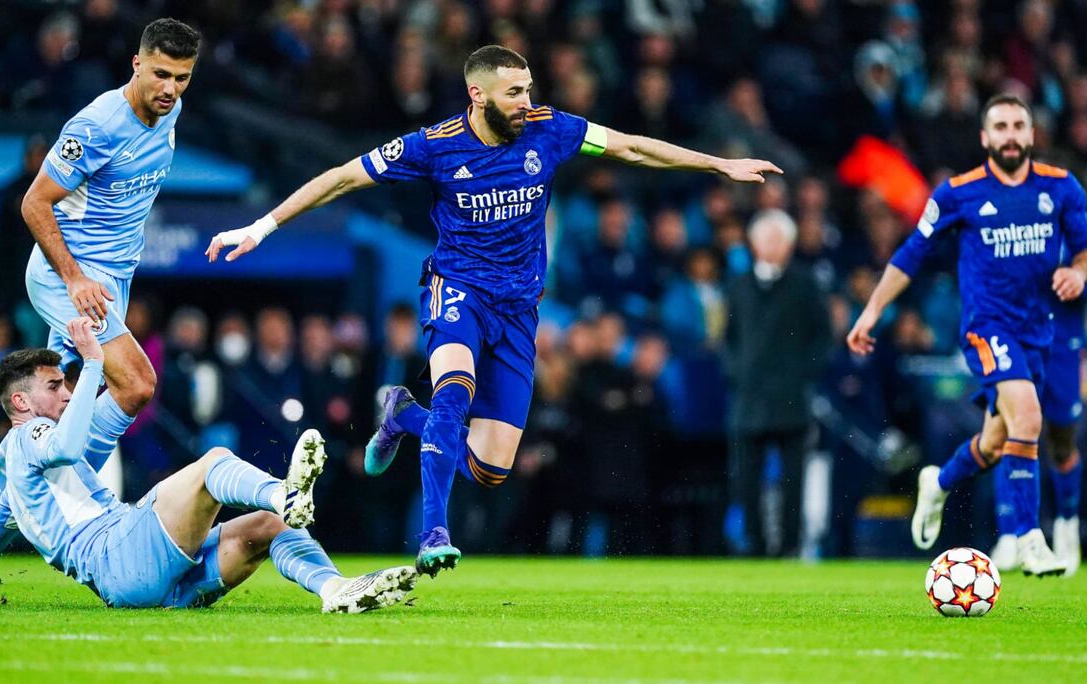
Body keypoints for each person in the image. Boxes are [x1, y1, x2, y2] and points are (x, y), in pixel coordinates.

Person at [206, 44, 781, 576]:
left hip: (518, 309)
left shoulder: (551, 130)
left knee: (490, 466)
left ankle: (404, 417)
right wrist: (262, 227)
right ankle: (433, 533)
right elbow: (341, 178)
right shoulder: (433, 145)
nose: (526, 102)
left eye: (529, 89)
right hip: (457, 288)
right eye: (514, 92)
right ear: (477, 95)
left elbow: (631, 145)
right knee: (453, 390)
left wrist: (718, 165)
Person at [0, 18, 200, 583]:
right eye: (159, 74)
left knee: (56, 420)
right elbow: (34, 203)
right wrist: (75, 278)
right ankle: (52, 501)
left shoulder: (169, 109)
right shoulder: (98, 124)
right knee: (137, 385)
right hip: (68, 280)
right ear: (135, 63)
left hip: (112, 285)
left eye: (181, 77)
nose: (170, 89)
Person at [0, 318, 417, 613]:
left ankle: (334, 588)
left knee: (267, 528)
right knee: (214, 464)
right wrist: (94, 362)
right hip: (118, 551)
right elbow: (66, 446)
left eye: (65, 382)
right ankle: (284, 492)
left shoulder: (18, 477)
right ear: (20, 400)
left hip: (137, 580)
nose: (67, 391)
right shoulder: (31, 435)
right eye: (54, 386)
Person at [846, 94, 1087, 577]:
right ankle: (1029, 539)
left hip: (1037, 334)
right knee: (1028, 416)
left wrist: (1079, 273)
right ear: (985, 137)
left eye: (1017, 125)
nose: (1009, 134)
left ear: (1031, 135)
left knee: (996, 441)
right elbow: (911, 254)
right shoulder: (958, 193)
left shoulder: (1060, 188)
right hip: (988, 329)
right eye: (999, 126)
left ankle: (937, 483)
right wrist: (872, 310)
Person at [990, 242, 1087, 576]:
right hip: (1015, 341)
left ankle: (1067, 526)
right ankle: (1009, 535)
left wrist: (1073, 277)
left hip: (1062, 345)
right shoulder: (1014, 220)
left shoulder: (1077, 234)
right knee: (1008, 433)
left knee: (1061, 444)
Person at [724, 209, 831, 557]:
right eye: (766, 238)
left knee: (793, 481)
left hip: (790, 397)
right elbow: (727, 338)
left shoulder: (805, 283)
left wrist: (802, 373)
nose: (771, 246)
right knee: (747, 480)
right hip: (749, 398)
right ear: (753, 243)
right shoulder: (738, 285)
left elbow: (822, 338)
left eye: (778, 239)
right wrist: (737, 372)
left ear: (790, 245)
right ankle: (754, 546)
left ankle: (789, 546)